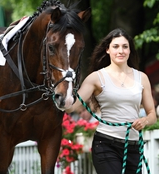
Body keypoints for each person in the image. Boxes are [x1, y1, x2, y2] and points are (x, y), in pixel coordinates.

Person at [66, 28, 157, 174]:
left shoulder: (142, 78)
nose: (120, 51)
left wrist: (144, 121)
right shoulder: (96, 78)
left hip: (133, 147)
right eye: (116, 46)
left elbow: (152, 114)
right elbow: (71, 106)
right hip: (106, 145)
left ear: (130, 50)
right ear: (107, 50)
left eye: (125, 47)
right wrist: (62, 93)